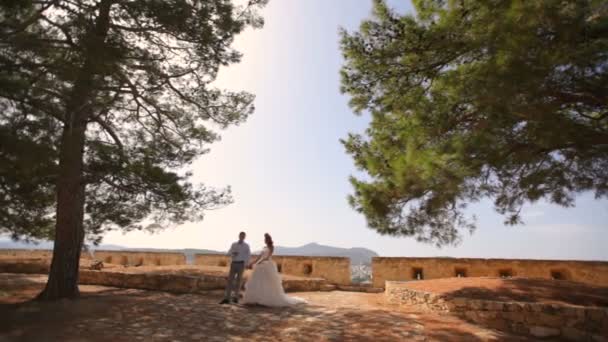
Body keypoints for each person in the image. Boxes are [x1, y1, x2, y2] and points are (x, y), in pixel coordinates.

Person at [241, 233, 306, 307]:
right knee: (258, 281)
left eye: (266, 239)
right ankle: (256, 299)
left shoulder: (271, 247)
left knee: (267, 282)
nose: (265, 240)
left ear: (269, 240)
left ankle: (265, 299)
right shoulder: (264, 247)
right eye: (265, 239)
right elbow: (259, 257)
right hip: (260, 266)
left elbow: (267, 257)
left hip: (267, 265)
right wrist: (252, 263)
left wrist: (259, 262)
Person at [220, 231, 251, 304]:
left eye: (243, 236)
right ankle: (226, 298)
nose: (242, 237)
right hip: (233, 263)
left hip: (241, 264)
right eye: (241, 235)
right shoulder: (234, 244)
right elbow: (228, 253)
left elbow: (248, 256)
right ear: (239, 236)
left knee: (238, 282)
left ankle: (235, 298)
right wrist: (233, 254)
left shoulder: (246, 246)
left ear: (245, 237)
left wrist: (246, 264)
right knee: (230, 281)